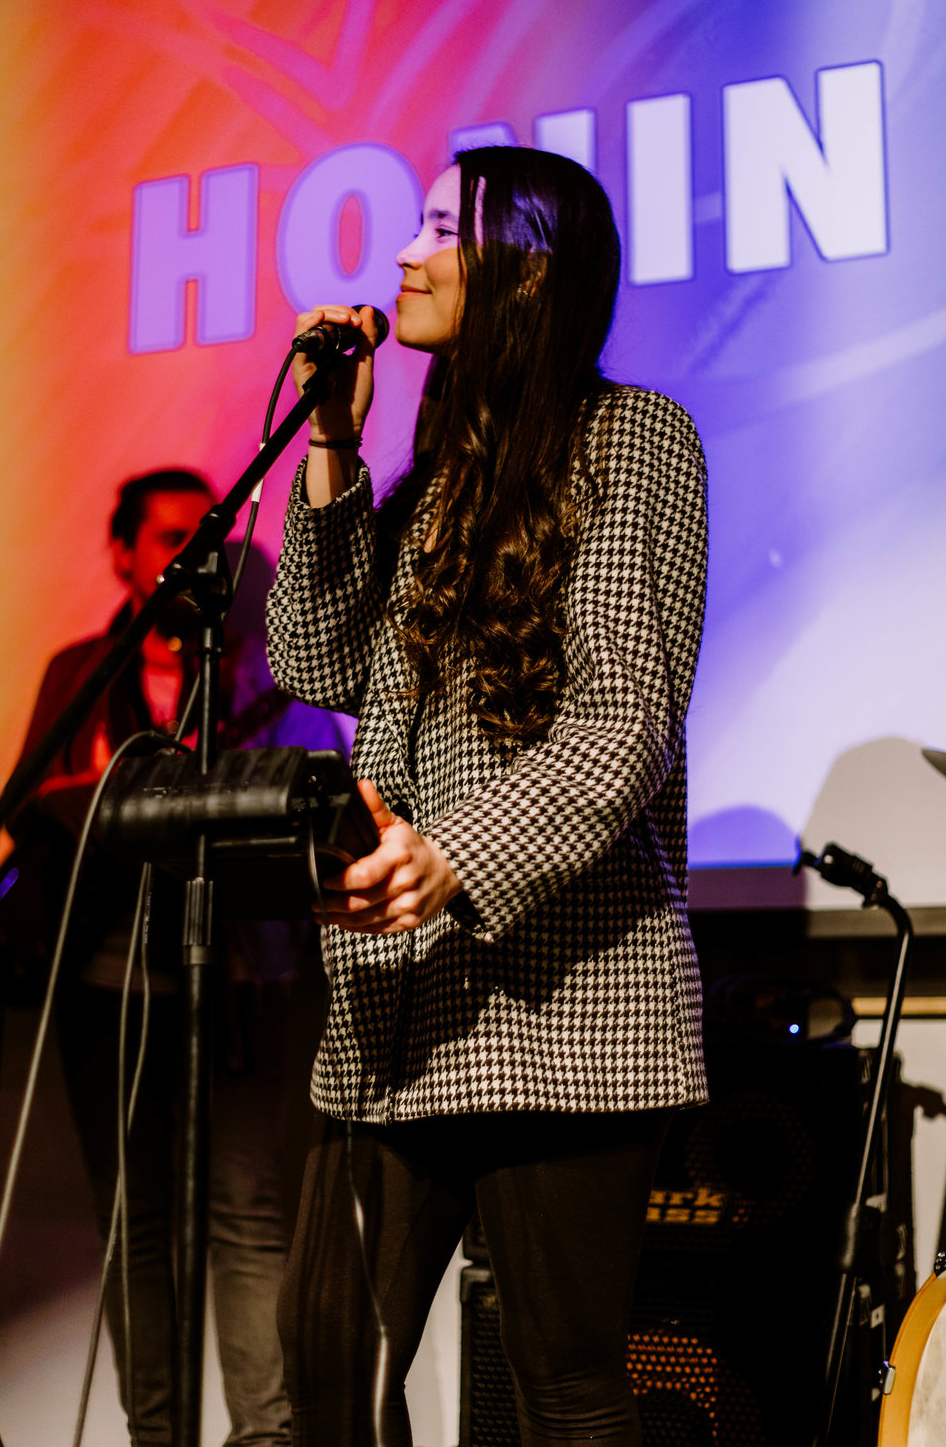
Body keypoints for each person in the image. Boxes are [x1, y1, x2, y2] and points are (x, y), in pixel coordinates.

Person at [265, 147, 708, 1446]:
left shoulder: (636, 441)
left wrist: (453, 854)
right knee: (326, 1364)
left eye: (440, 228)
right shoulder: (425, 485)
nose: (404, 252)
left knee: (563, 1388)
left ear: (527, 267)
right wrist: (335, 441)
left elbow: (621, 724)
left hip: (566, 996)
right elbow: (311, 658)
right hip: (400, 1011)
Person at [10, 469, 345, 1447]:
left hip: (243, 987)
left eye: (202, 537)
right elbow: (39, 817)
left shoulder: (267, 671)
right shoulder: (82, 672)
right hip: (106, 988)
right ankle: (154, 1433)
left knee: (247, 1213)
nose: (188, 555)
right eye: (165, 537)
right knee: (135, 1225)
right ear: (122, 553)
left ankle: (264, 1436)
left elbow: (324, 802)